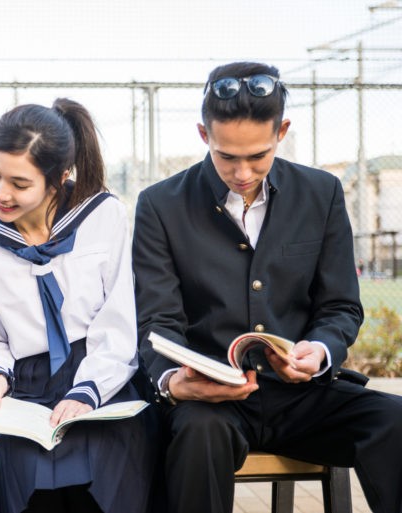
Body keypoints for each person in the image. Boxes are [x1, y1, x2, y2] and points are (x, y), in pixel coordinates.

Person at [132, 61, 402, 513]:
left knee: (395, 421)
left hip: (305, 398)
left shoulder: (322, 193)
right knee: (198, 435)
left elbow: (340, 307)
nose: (241, 172)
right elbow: (157, 320)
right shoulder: (160, 205)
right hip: (211, 403)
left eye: (257, 156)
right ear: (204, 135)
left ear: (282, 132)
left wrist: (319, 351)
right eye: (226, 156)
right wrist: (174, 382)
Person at [0, 98, 161, 513]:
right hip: (25, 386)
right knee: (32, 487)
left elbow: (118, 321)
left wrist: (89, 389)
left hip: (105, 374)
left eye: (20, 183)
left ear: (60, 176)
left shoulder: (104, 215)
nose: (2, 193)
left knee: (110, 479)